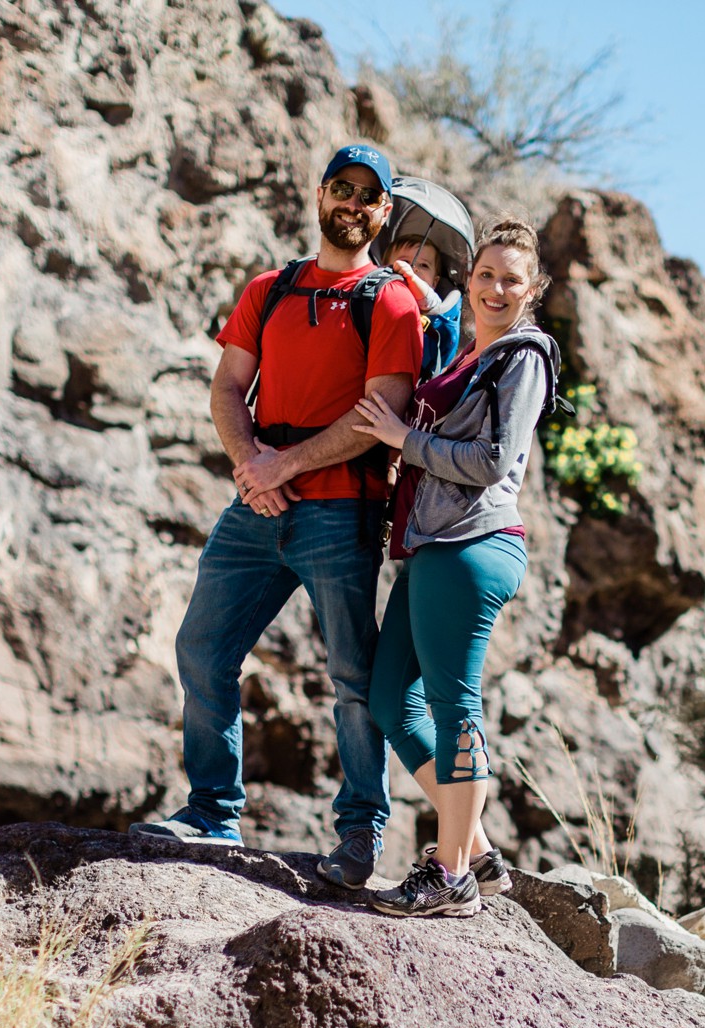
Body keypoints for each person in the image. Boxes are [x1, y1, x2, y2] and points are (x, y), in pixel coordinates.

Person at [131, 145, 423, 891]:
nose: (353, 203)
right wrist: (249, 467)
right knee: (201, 649)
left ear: (383, 211)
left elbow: (379, 416)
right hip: (256, 508)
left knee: (353, 676)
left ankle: (361, 834)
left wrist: (279, 467)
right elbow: (228, 387)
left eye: (369, 195)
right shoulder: (270, 289)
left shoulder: (391, 302)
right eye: (342, 188)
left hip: (339, 513)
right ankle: (212, 811)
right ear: (321, 193)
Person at [350, 217, 559, 917]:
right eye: (485, 276)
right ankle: (475, 849)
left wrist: (402, 439)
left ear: (533, 291)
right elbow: (447, 328)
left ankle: (449, 876)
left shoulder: (523, 356)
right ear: (469, 282)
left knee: (452, 706)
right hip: (432, 548)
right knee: (389, 699)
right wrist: (420, 291)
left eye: (511, 280)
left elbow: (492, 460)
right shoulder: (473, 350)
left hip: (472, 545)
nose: (496, 289)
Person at [385, 233, 464, 379]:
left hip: (414, 369)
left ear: (434, 282)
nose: (414, 268)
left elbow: (428, 301)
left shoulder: (432, 302)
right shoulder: (382, 288)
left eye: (424, 265)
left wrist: (412, 279)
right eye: (405, 261)